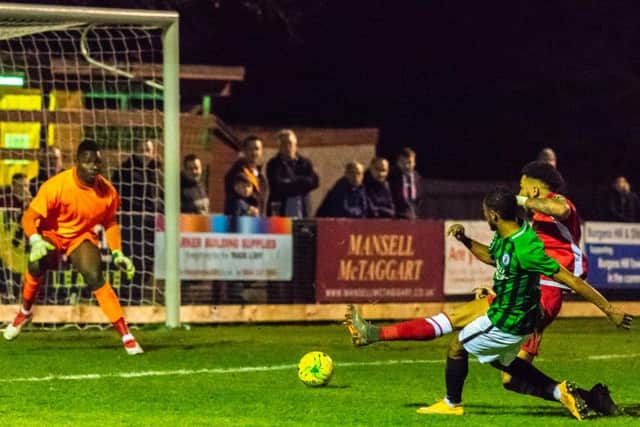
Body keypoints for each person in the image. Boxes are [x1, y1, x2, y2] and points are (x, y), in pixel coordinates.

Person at [345, 161, 628, 416]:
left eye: (523, 185)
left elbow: (560, 210)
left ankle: (378, 337)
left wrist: (515, 199)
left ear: (535, 189)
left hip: (541, 295)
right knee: (512, 379)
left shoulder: (557, 207)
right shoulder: (526, 230)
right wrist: (470, 245)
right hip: (535, 292)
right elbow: (502, 259)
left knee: (457, 327)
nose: (520, 189)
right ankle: (586, 398)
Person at [3, 139, 143, 355]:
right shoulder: (56, 185)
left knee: (95, 276)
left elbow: (110, 222)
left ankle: (126, 334)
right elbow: (29, 216)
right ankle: (25, 311)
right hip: (52, 234)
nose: (94, 166)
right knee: (35, 263)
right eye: (88, 161)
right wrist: (35, 239)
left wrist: (117, 252)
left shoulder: (108, 192)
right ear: (77, 162)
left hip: (80, 237)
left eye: (97, 162)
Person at [111, 138, 163, 300]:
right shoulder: (125, 171)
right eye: (142, 150)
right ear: (135, 151)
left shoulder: (157, 172)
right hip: (133, 224)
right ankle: (127, 300)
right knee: (133, 263)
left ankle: (136, 298)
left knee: (148, 264)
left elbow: (161, 197)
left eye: (148, 150)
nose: (145, 154)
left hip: (154, 225)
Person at [265, 129, 319, 217]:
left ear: (295, 145)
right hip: (280, 213)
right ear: (278, 147)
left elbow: (315, 182)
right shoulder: (273, 164)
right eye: (283, 143)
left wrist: (290, 181)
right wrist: (302, 183)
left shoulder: (305, 163)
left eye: (289, 143)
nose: (287, 147)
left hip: (303, 211)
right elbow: (278, 186)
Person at [224, 136, 268, 216]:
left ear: (261, 151)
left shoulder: (261, 177)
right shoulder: (236, 173)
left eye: (257, 149)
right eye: (250, 149)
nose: (254, 152)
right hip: (240, 223)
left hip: (258, 223)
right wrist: (247, 208)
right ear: (244, 151)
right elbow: (232, 200)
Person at [388, 147, 422, 219]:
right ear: (397, 163)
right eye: (403, 162)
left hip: (413, 217)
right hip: (397, 218)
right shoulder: (391, 177)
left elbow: (418, 199)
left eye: (409, 162)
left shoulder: (417, 177)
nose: (407, 166)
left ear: (414, 163)